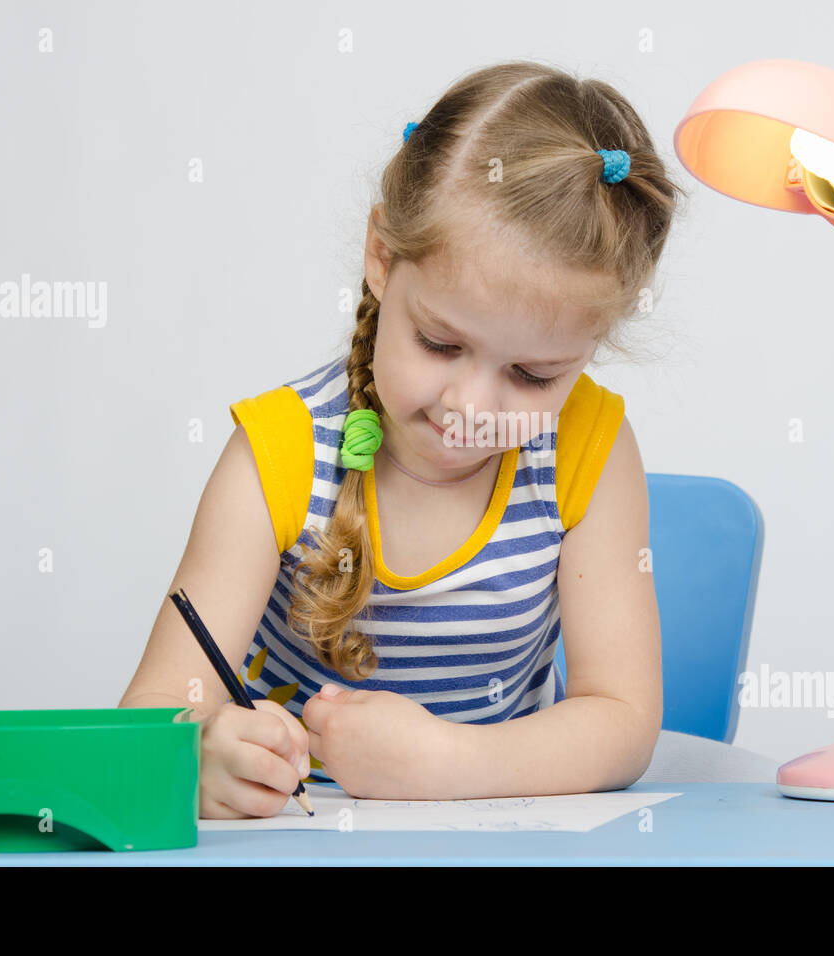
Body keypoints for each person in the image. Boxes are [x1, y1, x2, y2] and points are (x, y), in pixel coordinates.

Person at [121, 60, 686, 817]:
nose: (473, 405)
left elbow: (622, 720)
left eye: (531, 373)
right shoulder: (280, 453)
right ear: (382, 259)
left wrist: (449, 761)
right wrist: (199, 757)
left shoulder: (590, 448)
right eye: (441, 344)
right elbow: (148, 716)